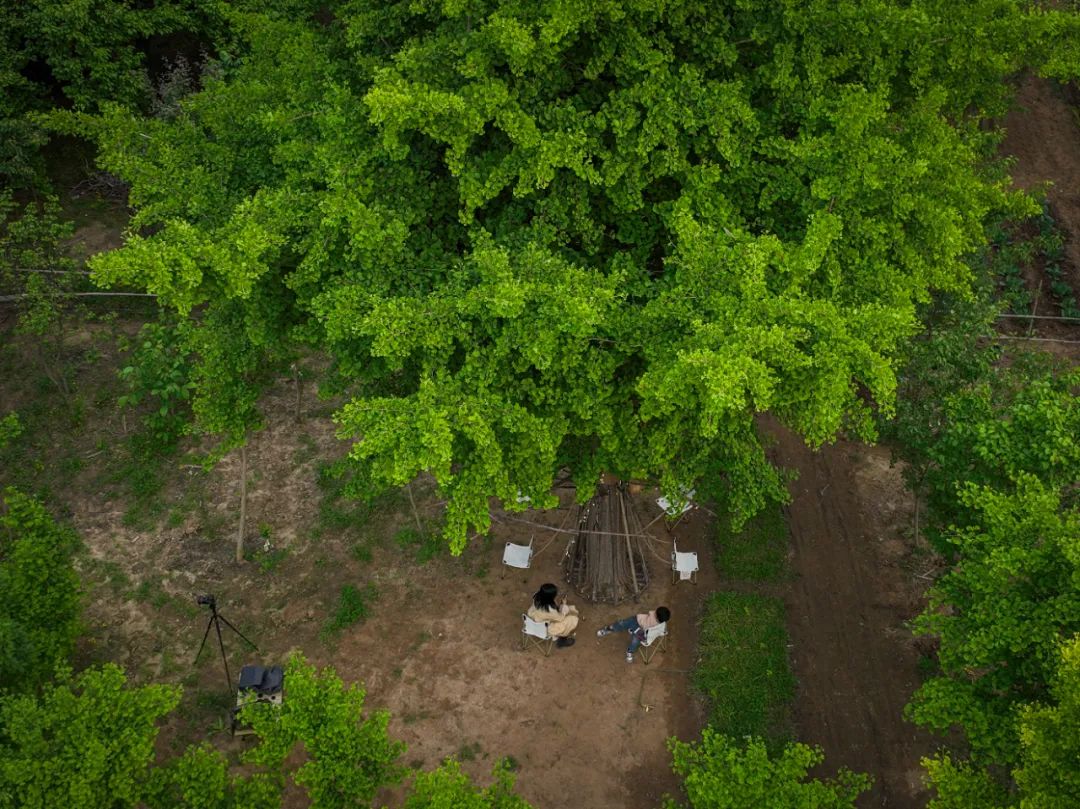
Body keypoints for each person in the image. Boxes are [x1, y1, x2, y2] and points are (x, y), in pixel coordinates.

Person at [596, 606, 670, 662]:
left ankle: (630, 651)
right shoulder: (654, 616)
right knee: (622, 623)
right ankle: (608, 629)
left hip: (641, 631)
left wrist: (642, 633)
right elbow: (651, 617)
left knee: (635, 641)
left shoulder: (658, 622)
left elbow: (657, 631)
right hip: (637, 620)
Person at [527, 583, 580, 648]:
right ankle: (562, 641)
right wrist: (564, 604)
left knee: (567, 609)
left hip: (531, 621)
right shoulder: (550, 610)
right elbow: (561, 618)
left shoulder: (536, 596)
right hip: (544, 628)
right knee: (572, 619)